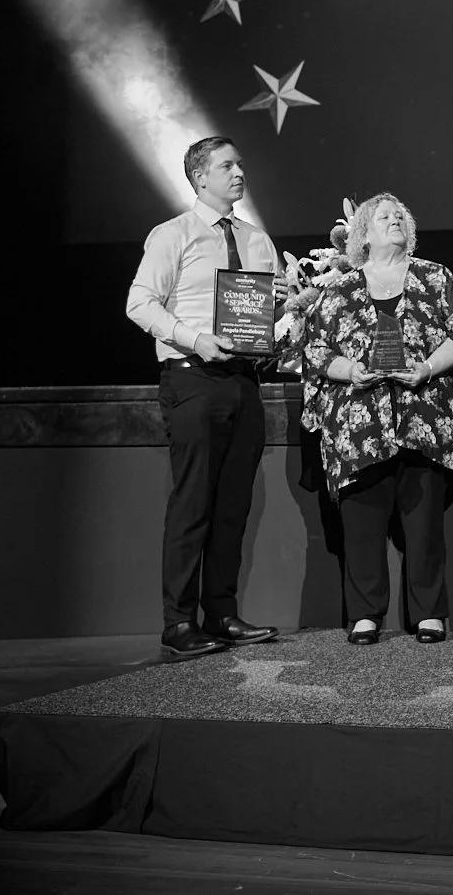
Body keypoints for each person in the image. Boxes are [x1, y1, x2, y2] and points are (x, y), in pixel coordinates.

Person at [125, 136, 281, 658]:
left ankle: (221, 613)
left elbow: (268, 317)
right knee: (193, 503)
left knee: (233, 504)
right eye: (226, 166)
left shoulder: (257, 240)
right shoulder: (174, 234)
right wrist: (195, 339)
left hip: (244, 381)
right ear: (199, 177)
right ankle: (178, 623)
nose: (239, 173)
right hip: (192, 378)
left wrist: (288, 310)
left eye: (240, 164)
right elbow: (139, 303)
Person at [302, 194, 453, 645]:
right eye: (384, 216)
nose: (395, 220)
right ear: (363, 233)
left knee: (424, 525)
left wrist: (426, 368)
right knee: (361, 524)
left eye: (400, 215)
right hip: (359, 424)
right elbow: (317, 349)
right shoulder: (340, 290)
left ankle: (429, 613)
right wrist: (350, 370)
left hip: (424, 418)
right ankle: (365, 614)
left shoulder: (435, 277)